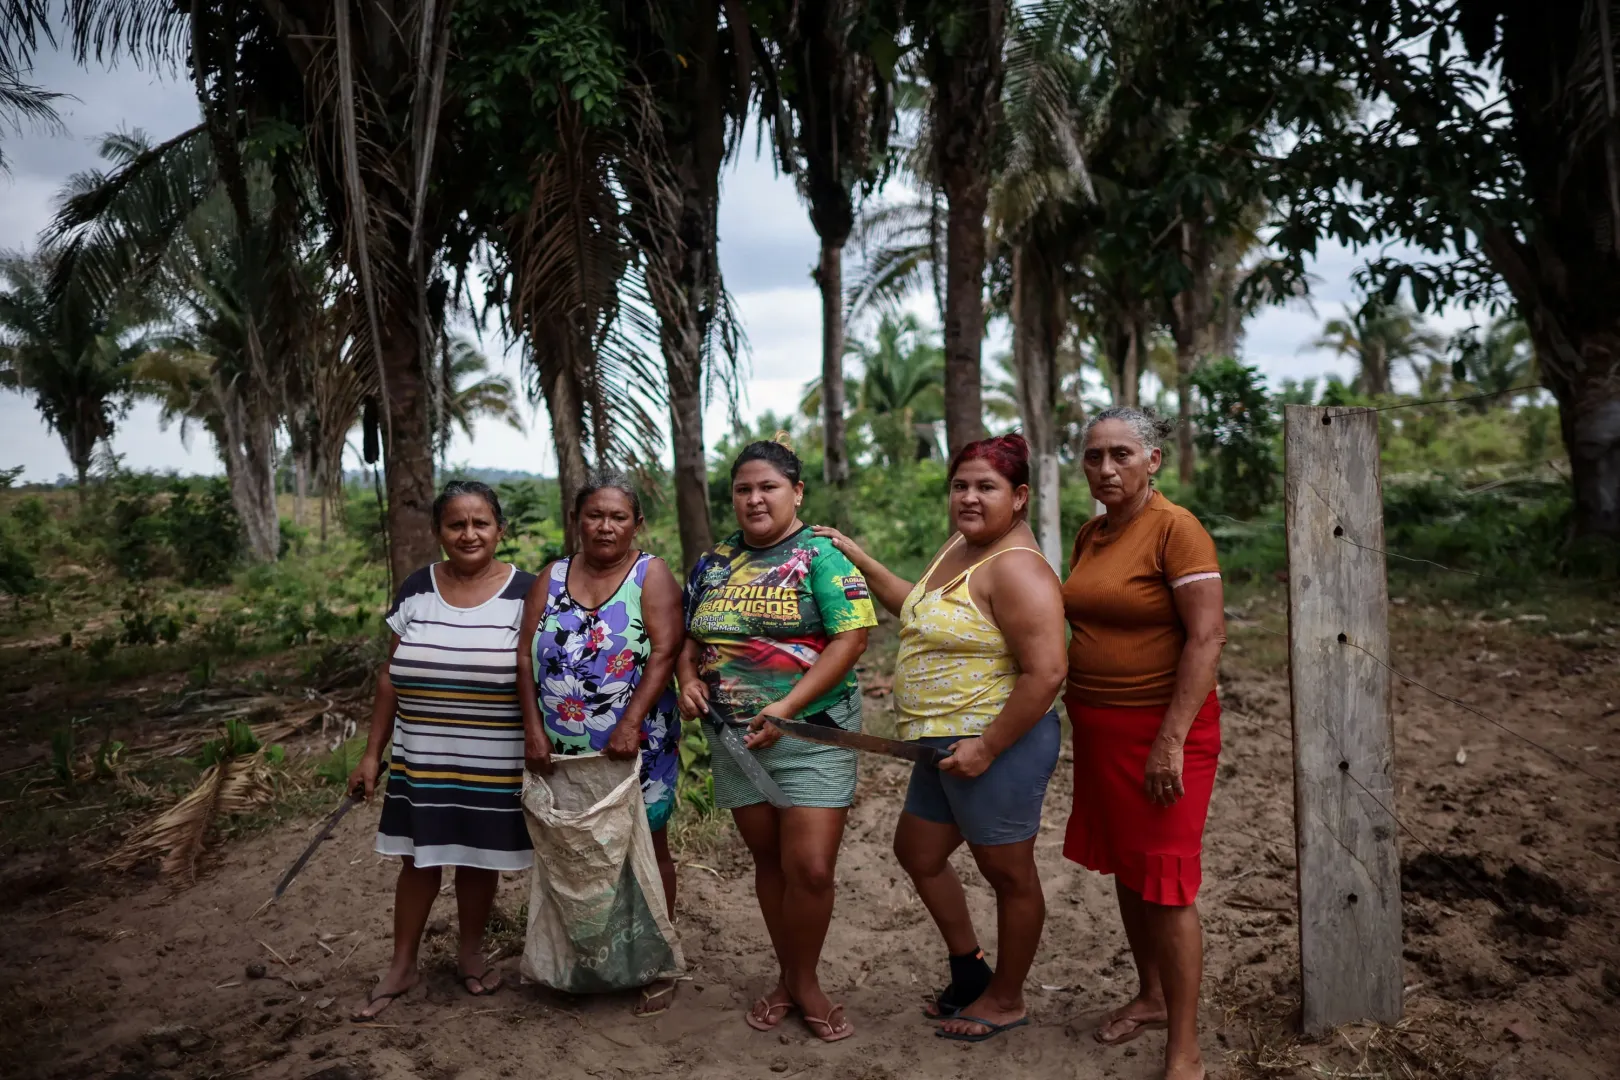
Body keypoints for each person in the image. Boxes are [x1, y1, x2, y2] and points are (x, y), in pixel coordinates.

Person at [813, 433, 1068, 1044]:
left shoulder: (1017, 569)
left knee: (1009, 876)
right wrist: (862, 559)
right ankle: (969, 970)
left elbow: (1048, 673)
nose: (970, 498)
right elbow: (920, 607)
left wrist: (987, 748)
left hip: (994, 745)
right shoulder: (961, 547)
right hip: (939, 745)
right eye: (961, 486)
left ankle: (1006, 998)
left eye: (987, 487)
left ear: (1021, 496)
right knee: (919, 853)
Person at [676, 437, 877, 1043]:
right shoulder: (714, 563)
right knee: (770, 864)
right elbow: (692, 643)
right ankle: (789, 976)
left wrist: (785, 708)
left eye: (768, 487)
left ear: (796, 492)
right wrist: (687, 681)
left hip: (812, 733)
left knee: (810, 868)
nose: (755, 498)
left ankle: (804, 982)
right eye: (743, 489)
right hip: (735, 741)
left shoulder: (821, 555)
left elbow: (853, 639)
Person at [1061, 407, 1226, 1080]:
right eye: (1095, 455)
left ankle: (1183, 1049)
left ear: (1152, 460)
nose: (1106, 468)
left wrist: (1169, 742)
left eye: (1121, 455)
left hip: (1164, 733)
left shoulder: (1176, 531)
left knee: (1167, 882)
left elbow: (1207, 638)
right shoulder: (1092, 533)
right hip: (1100, 732)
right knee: (1132, 872)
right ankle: (1152, 996)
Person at [347, 480, 536, 1021]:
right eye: (457, 524)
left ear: (500, 530)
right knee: (418, 859)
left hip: (494, 756)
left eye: (481, 523)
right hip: (421, 753)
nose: (469, 533)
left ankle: (470, 956)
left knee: (479, 858)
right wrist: (370, 754)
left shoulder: (528, 592)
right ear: (439, 532)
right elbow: (389, 676)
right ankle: (402, 965)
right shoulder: (416, 589)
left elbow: (540, 675)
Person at [516, 472, 684, 1016]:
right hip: (562, 749)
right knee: (575, 852)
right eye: (594, 515)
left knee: (645, 847)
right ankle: (583, 961)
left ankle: (655, 964)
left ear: (636, 523)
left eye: (617, 516)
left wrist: (631, 721)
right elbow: (524, 656)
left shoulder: (649, 574)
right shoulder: (552, 575)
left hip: (635, 745)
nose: (605, 526)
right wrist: (534, 730)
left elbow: (663, 652)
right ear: (577, 520)